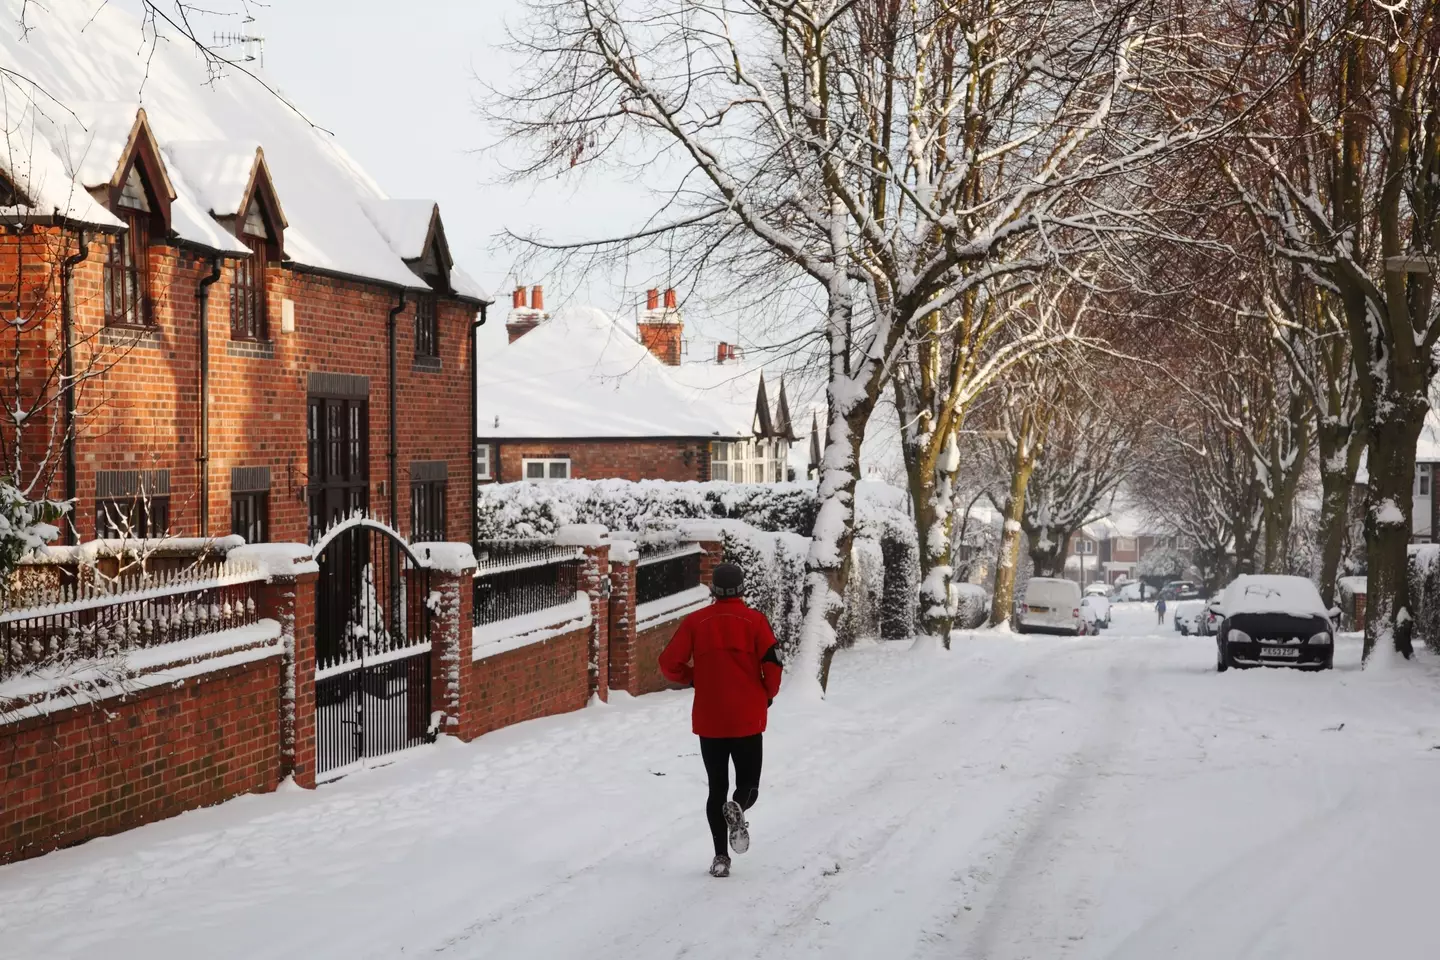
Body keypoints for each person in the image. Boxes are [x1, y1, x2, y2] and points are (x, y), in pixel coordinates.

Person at [659, 562, 783, 878]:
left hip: (710, 719)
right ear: (742, 588)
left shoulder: (696, 622)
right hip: (747, 717)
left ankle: (720, 858)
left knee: (716, 788)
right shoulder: (755, 621)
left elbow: (668, 663)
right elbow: (773, 663)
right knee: (749, 786)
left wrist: (692, 678)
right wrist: (767, 694)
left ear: (713, 589)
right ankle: (739, 808)